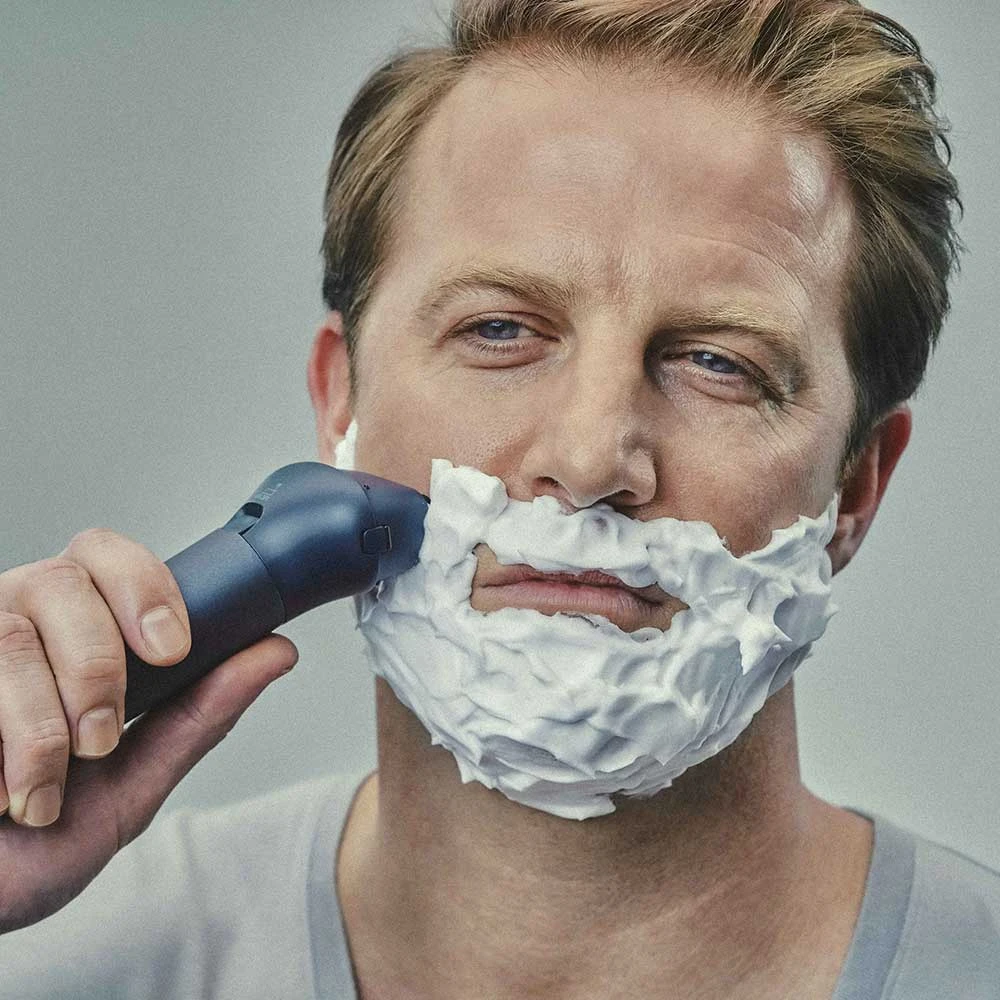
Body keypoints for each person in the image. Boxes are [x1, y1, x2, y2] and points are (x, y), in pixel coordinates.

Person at [1, 0, 997, 997]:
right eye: (498, 331)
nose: (590, 459)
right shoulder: (67, 962)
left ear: (855, 487)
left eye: (717, 362)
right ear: (343, 404)